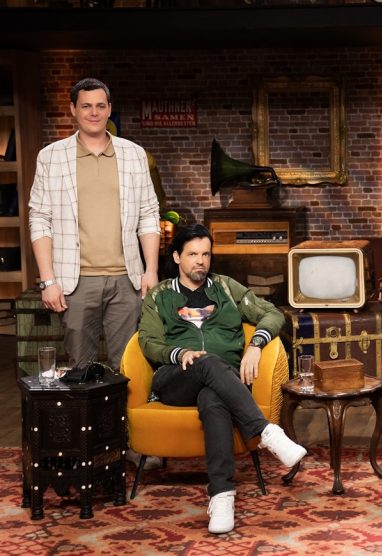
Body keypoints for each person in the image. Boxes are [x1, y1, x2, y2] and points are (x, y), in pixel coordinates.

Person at [138, 224, 306, 534]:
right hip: (175, 380)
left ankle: (222, 496)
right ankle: (266, 432)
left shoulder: (226, 288)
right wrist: (178, 353)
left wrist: (256, 345)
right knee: (207, 363)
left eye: (205, 254)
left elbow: (272, 313)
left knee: (213, 397)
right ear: (176, 257)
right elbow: (148, 341)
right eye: (192, 254)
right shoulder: (160, 295)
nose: (200, 261)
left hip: (222, 383)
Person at [29, 77, 160, 371]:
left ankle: (123, 406)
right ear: (73, 109)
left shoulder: (134, 154)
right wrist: (48, 280)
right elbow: (40, 219)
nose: (94, 112)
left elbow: (149, 214)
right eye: (86, 106)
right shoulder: (51, 157)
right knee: (81, 368)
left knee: (128, 367)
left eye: (100, 106)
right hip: (74, 281)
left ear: (109, 109)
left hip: (126, 280)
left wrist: (150, 270)